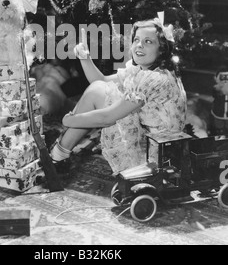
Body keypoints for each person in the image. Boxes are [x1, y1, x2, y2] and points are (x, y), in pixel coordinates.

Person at [50, 16, 187, 175]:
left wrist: (69, 120)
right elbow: (101, 81)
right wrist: (84, 57)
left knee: (98, 92)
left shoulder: (155, 79)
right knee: (98, 88)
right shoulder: (144, 70)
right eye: (136, 40)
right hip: (149, 139)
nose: (139, 45)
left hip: (155, 156)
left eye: (148, 41)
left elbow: (107, 118)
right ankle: (59, 153)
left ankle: (57, 155)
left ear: (162, 49)